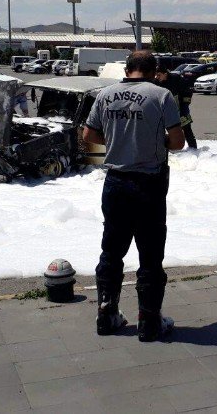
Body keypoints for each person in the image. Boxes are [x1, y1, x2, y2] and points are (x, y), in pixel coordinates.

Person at [82, 50, 186, 342]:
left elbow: (88, 136)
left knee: (112, 251)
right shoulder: (160, 95)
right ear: (153, 71)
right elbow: (177, 142)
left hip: (115, 183)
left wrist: (117, 140)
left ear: (127, 69)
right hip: (148, 185)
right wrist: (151, 140)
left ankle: (107, 314)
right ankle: (149, 322)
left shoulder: (104, 95)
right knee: (150, 255)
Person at [155, 67, 197, 149]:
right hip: (164, 110)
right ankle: (165, 149)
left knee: (187, 129)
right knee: (161, 130)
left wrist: (185, 105)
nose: (157, 77)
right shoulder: (156, 82)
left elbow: (187, 92)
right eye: (156, 75)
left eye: (159, 75)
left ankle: (193, 149)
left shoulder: (176, 78)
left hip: (180, 108)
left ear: (165, 74)